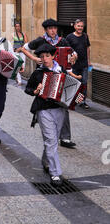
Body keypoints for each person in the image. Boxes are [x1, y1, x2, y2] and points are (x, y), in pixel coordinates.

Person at [24, 44, 83, 187]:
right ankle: (55, 173)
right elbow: (28, 89)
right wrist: (36, 91)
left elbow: (71, 88)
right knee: (51, 140)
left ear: (53, 56)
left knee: (53, 140)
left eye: (47, 56)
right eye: (42, 56)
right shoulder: (38, 73)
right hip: (43, 109)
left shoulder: (61, 70)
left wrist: (77, 98)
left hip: (60, 109)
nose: (44, 59)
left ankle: (45, 161)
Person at [17, 18, 78, 149]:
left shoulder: (62, 40)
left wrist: (74, 57)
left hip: (60, 74)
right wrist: (34, 58)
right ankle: (47, 125)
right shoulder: (40, 40)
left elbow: (73, 53)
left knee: (63, 105)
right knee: (46, 101)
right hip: (43, 74)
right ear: (46, 30)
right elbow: (23, 48)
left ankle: (65, 138)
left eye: (55, 28)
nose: (53, 31)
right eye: (50, 28)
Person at [66, 19, 91, 109]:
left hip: (84, 64)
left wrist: (89, 61)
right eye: (78, 26)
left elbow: (88, 48)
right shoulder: (69, 37)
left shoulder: (85, 36)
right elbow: (67, 50)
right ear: (75, 26)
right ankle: (71, 101)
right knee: (74, 83)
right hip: (74, 65)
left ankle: (81, 101)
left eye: (81, 26)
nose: (80, 28)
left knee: (84, 83)